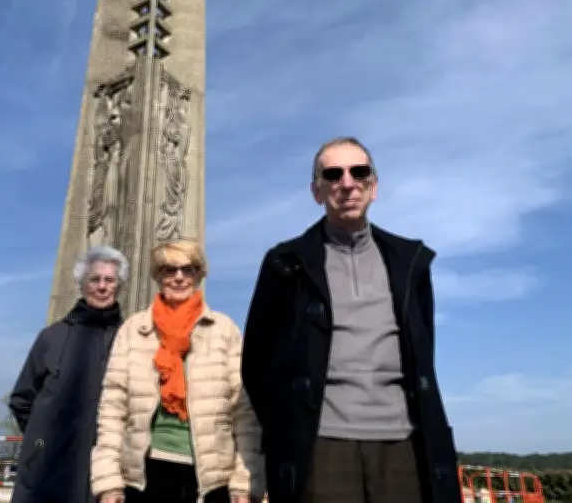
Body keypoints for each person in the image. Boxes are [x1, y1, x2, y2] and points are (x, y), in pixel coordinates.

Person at [241, 137, 461, 503]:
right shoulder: (284, 264)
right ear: (317, 191)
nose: (347, 183)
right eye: (333, 174)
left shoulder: (411, 263)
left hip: (402, 444)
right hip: (322, 447)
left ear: (374, 187)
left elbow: (424, 351)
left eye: (359, 172)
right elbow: (257, 362)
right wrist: (288, 428)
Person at [91, 238, 265, 503]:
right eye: (169, 270)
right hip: (146, 473)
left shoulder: (224, 330)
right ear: (158, 276)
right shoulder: (133, 330)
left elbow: (244, 411)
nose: (179, 277)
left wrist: (244, 481)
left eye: (189, 269)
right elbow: (112, 409)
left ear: (199, 274)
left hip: (212, 476)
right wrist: (108, 482)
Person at [9, 245, 128, 503]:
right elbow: (22, 398)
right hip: (49, 470)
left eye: (110, 280)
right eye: (94, 279)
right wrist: (42, 440)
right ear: (82, 285)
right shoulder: (52, 337)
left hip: (105, 471)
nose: (102, 286)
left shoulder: (130, 339)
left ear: (119, 286)